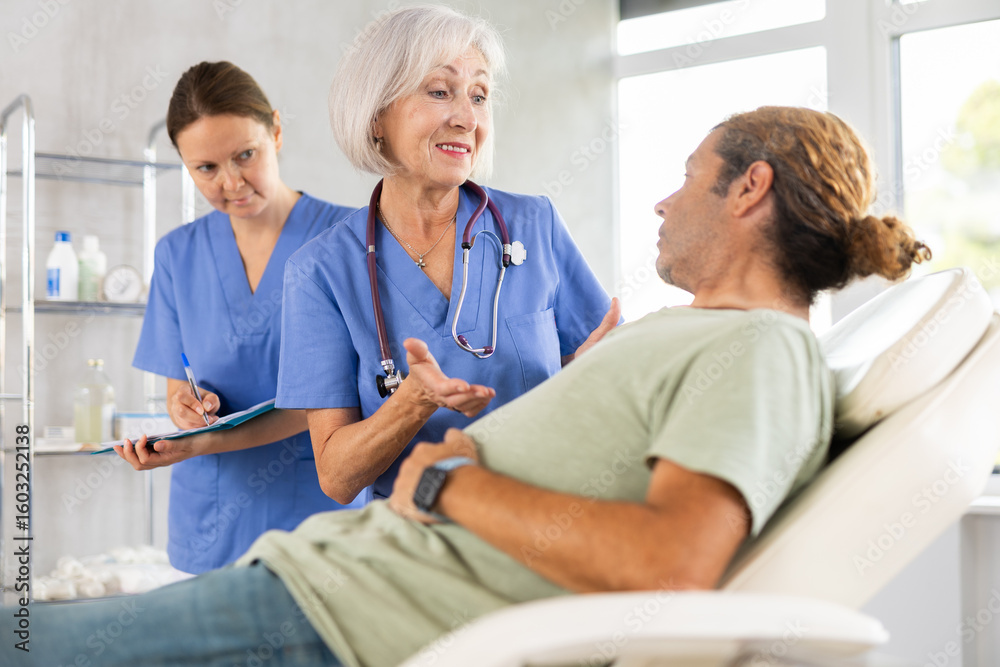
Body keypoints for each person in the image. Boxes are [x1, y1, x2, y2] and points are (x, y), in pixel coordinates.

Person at [20, 106, 931, 667]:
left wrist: (448, 483)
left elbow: (673, 563)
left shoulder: (764, 350)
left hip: (352, 610)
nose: (663, 202)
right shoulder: (691, 335)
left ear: (749, 189)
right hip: (331, 571)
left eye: (688, 178)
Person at [275, 4, 619, 505]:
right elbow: (337, 476)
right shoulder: (321, 272)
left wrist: (603, 376)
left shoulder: (534, 225)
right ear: (376, 117)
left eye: (479, 96)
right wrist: (412, 403)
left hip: (545, 521)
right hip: (417, 539)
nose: (467, 118)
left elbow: (603, 371)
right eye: (439, 91)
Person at [117, 61, 364, 574]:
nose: (231, 182)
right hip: (210, 518)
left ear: (276, 131)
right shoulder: (177, 254)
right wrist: (188, 409)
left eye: (245, 155)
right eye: (206, 168)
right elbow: (177, 388)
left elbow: (342, 393)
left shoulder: (347, 239)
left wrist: (207, 439)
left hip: (318, 514)